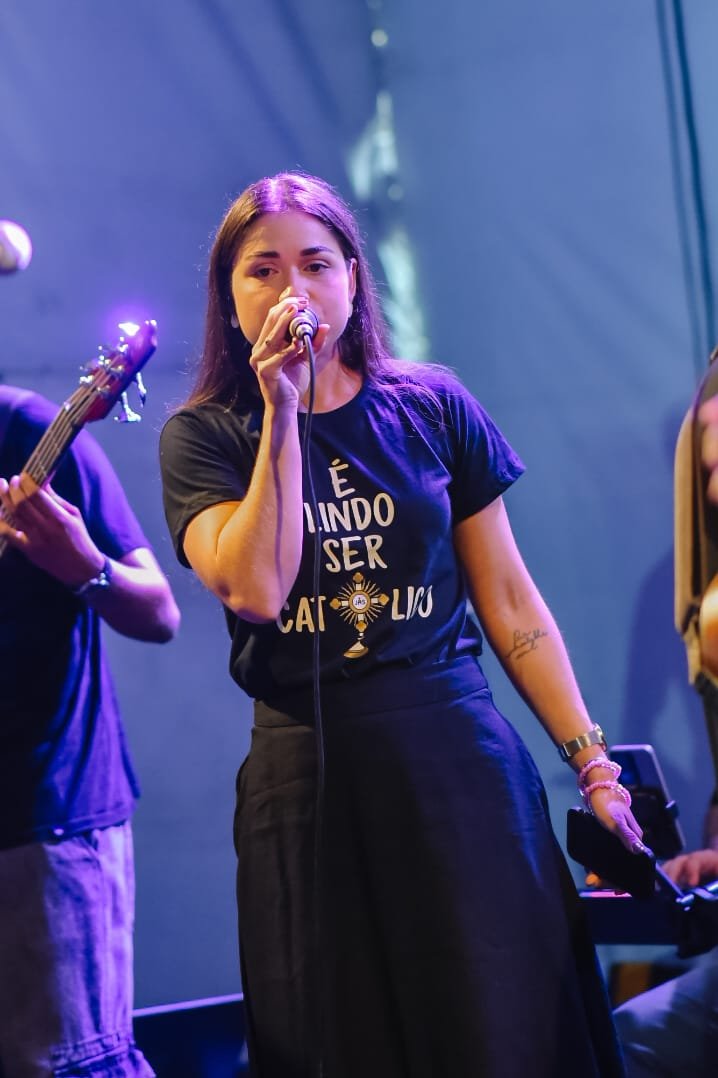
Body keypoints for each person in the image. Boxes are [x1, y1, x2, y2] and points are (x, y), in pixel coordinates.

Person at [159, 170, 643, 1078]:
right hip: (308, 781)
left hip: (457, 759)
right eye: (263, 269)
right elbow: (257, 588)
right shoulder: (205, 435)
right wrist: (282, 411)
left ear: (353, 278)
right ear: (229, 297)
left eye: (316, 263)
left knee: (502, 1026)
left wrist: (593, 763)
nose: (294, 288)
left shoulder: (431, 406)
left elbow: (512, 602)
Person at [0, 384, 180, 1077]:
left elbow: (159, 612)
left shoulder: (24, 429)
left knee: (73, 1066)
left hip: (45, 824)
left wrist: (85, 568)